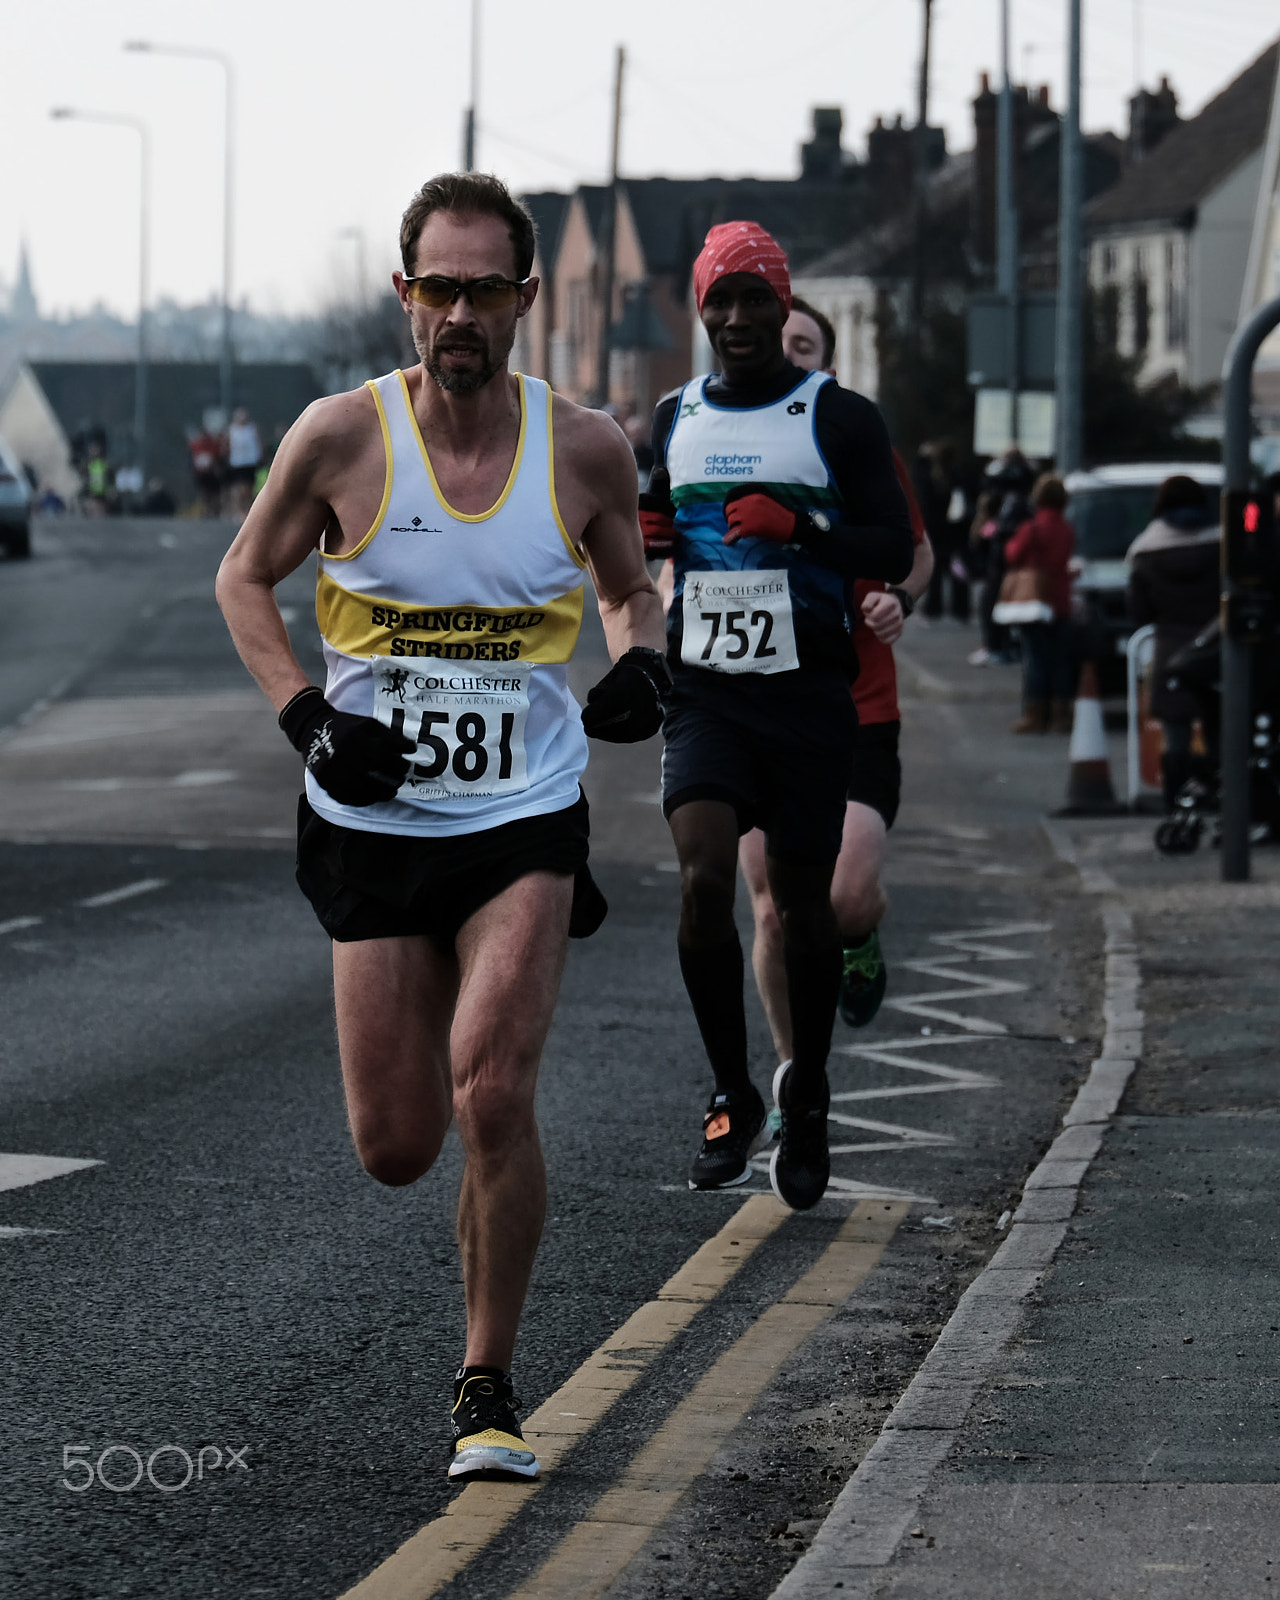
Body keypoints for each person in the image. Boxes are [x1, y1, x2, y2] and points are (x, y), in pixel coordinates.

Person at [216, 172, 667, 1482]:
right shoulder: (339, 439)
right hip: (368, 814)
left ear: (526, 300)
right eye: (438, 287)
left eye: (485, 288)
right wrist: (307, 718)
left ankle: (488, 1383)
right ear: (404, 294)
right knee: (400, 1141)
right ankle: (478, 1341)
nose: (458, 312)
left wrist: (644, 658)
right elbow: (244, 578)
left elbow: (631, 588)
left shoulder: (582, 447)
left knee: (492, 1088)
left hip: (522, 811)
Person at [639, 224, 914, 1211]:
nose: (738, 320)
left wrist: (799, 528)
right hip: (708, 690)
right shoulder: (673, 414)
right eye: (720, 302)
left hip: (807, 697)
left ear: (781, 303)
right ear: (702, 311)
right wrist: (650, 540)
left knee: (803, 907)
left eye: (755, 300)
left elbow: (891, 535)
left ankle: (807, 1099)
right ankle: (730, 1086)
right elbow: (654, 519)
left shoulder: (836, 418)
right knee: (704, 871)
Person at [738, 296, 933, 1071]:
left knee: (844, 895)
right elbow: (673, 558)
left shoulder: (859, 444)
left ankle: (860, 934)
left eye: (805, 346)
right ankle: (796, 1076)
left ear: (824, 364)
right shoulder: (718, 444)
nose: (788, 357)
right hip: (752, 703)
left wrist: (900, 598)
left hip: (856, 706)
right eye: (775, 341)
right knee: (774, 914)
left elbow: (916, 551)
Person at [1126, 474, 1220, 808]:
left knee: (1175, 734)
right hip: (1217, 644)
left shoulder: (1145, 550)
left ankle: (1175, 801)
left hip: (1171, 648)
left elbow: (1139, 610)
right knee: (1220, 727)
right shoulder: (1221, 546)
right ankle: (1220, 795)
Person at [1004, 473, 1076, 734]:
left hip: (1035, 602)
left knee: (1035, 659)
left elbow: (1012, 554)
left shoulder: (1031, 528)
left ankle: (1035, 715)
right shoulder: (1067, 528)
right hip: (1061, 600)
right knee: (1060, 661)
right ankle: (1060, 716)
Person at [970, 449, 1034, 666]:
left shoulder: (1019, 502)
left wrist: (997, 533)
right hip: (1000, 560)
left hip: (1006, 562)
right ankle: (998, 645)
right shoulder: (1010, 501)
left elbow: (1015, 529)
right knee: (992, 604)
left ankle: (998, 646)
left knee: (994, 605)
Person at [226, 407, 264, 517]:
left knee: (249, 488)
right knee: (239, 488)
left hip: (250, 461)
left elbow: (258, 441)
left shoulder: (252, 429)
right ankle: (239, 510)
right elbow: (228, 445)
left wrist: (260, 454)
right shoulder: (232, 430)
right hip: (237, 462)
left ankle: (248, 509)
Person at [189, 423, 224, 517]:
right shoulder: (196, 444)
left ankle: (214, 511)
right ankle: (206, 511)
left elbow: (218, 454)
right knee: (205, 494)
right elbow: (192, 456)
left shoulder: (212, 443)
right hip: (201, 474)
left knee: (214, 494)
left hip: (212, 473)